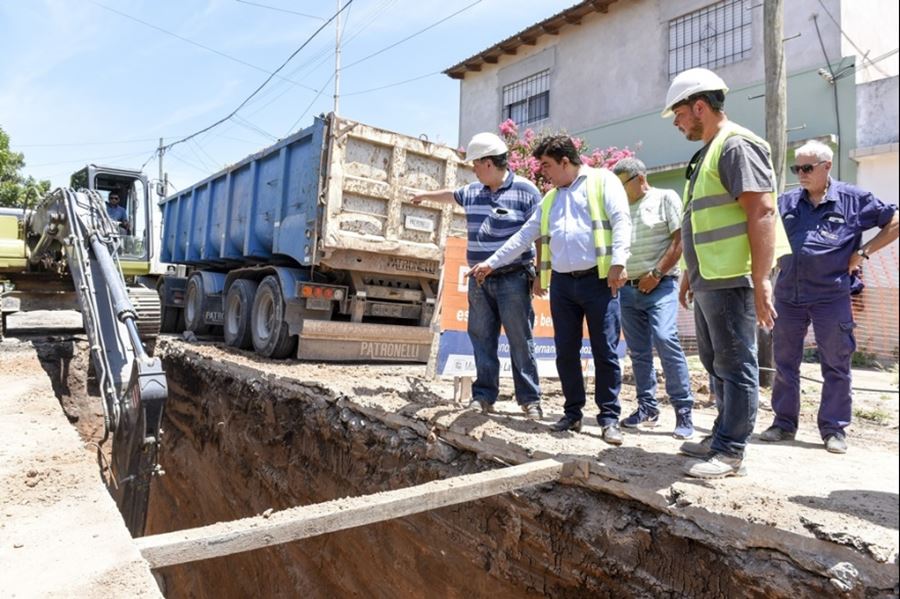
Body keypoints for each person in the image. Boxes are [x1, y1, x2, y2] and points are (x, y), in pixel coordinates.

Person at [661, 68, 791, 478]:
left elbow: (762, 211)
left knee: (736, 365)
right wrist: (688, 273)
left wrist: (762, 278)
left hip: (735, 276)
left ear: (699, 106)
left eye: (679, 114)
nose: (678, 122)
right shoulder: (710, 151)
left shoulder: (735, 146)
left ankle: (732, 450)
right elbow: (698, 221)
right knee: (717, 362)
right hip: (709, 277)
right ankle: (721, 435)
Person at [468, 135, 632, 446]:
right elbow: (523, 237)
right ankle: (572, 414)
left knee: (605, 351)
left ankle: (609, 418)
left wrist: (619, 261)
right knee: (565, 351)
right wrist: (490, 263)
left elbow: (621, 221)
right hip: (563, 285)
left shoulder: (602, 181)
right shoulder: (551, 199)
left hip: (599, 280)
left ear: (565, 162)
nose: (543, 172)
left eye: (546, 165)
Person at [761, 140, 898, 454]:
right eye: (797, 168)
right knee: (784, 363)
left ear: (827, 167)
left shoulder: (853, 199)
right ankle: (783, 424)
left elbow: (895, 221)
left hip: (831, 296)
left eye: (807, 168)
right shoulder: (787, 201)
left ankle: (834, 430)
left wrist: (863, 253)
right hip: (788, 296)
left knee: (836, 364)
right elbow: (766, 232)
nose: (801, 174)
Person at [411, 132, 543, 420]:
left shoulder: (526, 191)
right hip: (479, 281)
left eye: (475, 163)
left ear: (488, 162)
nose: (472, 168)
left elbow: (540, 234)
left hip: (514, 277)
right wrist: (424, 196)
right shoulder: (474, 190)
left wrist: (541, 274)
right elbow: (451, 195)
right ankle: (484, 396)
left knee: (521, 340)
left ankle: (530, 400)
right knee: (482, 338)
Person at [612, 157, 695, 439]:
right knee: (638, 351)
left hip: (660, 286)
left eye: (621, 184)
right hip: (628, 290)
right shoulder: (621, 209)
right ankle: (647, 407)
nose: (618, 190)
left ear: (638, 178)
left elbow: (680, 240)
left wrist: (657, 273)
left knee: (665, 337)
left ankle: (683, 409)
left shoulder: (665, 198)